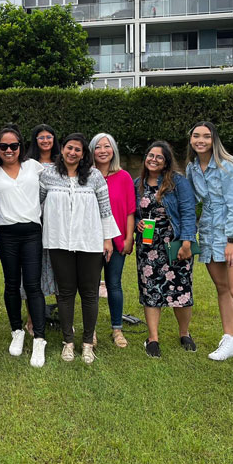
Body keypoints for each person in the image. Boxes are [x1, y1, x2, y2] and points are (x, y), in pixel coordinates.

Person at [185, 121, 233, 375]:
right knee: (222, 289)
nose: (201, 140)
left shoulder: (228, 165)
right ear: (191, 140)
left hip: (232, 236)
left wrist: (231, 240)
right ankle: (229, 341)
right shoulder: (192, 168)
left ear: (214, 140)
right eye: (196, 136)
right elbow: (191, 199)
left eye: (206, 136)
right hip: (208, 234)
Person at [40, 133, 120, 364]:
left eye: (78, 149)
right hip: (58, 241)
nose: (73, 153)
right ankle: (68, 342)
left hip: (90, 242)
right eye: (69, 148)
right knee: (65, 293)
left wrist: (107, 239)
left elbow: (105, 209)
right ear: (62, 149)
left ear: (84, 154)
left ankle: (87, 344)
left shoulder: (94, 176)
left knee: (89, 293)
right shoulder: (48, 175)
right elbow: (39, 204)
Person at [0, 125, 47, 367]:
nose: (9, 150)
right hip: (6, 234)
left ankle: (39, 338)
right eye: (4, 146)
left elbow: (52, 186)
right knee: (11, 284)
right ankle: (17, 331)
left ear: (21, 147)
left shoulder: (34, 167)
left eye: (13, 145)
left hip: (32, 233)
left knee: (33, 285)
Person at [134, 141, 197, 359]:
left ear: (167, 161)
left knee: (181, 289)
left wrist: (187, 242)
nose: (153, 160)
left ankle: (184, 333)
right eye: (150, 155)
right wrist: (138, 224)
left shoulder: (178, 182)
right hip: (148, 246)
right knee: (150, 289)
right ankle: (153, 338)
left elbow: (188, 211)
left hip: (175, 243)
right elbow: (133, 213)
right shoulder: (138, 183)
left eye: (159, 157)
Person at [89, 132, 135, 348]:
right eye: (98, 147)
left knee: (114, 284)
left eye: (106, 146)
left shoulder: (124, 177)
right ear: (92, 151)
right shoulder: (86, 176)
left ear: (113, 150)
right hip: (90, 239)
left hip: (117, 240)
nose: (102, 151)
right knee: (91, 287)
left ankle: (117, 329)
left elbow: (130, 210)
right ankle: (91, 330)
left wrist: (129, 238)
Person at [21, 124, 60, 334]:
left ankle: (65, 317)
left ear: (54, 139)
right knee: (31, 272)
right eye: (41, 137)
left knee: (60, 271)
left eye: (49, 136)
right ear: (35, 140)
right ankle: (31, 319)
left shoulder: (62, 162)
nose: (45, 140)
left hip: (58, 224)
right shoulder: (27, 164)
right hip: (33, 222)